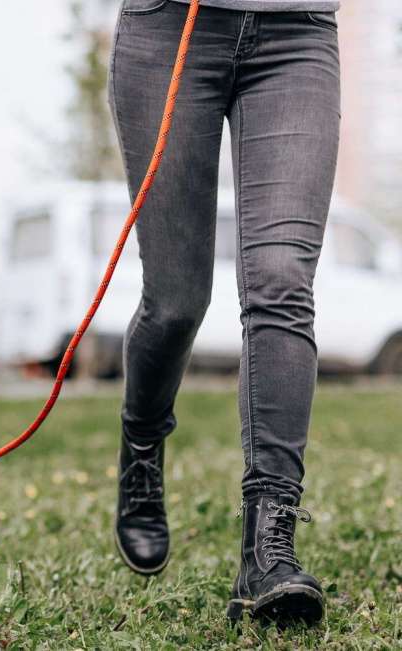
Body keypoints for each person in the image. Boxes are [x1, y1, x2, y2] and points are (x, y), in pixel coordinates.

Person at [109, 0, 340, 626]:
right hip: (169, 29)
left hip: (297, 34)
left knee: (282, 281)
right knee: (177, 302)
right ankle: (142, 443)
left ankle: (268, 551)